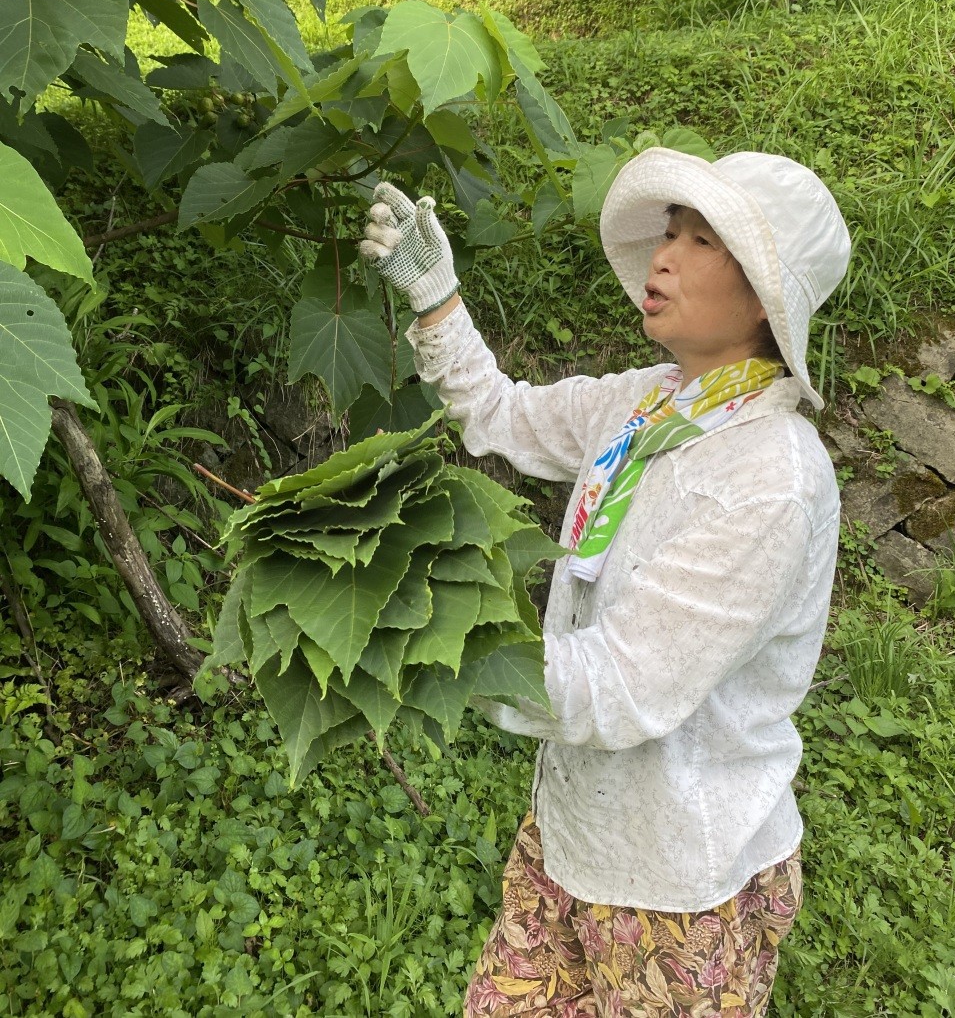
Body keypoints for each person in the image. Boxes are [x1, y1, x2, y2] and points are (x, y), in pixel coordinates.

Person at [359, 147, 851, 1018]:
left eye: (704, 242)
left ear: (766, 298)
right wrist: (437, 296)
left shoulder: (769, 478)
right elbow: (502, 413)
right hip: (571, 831)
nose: (664, 257)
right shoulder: (646, 403)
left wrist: (439, 646)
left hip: (680, 886)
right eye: (670, 232)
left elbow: (622, 683)